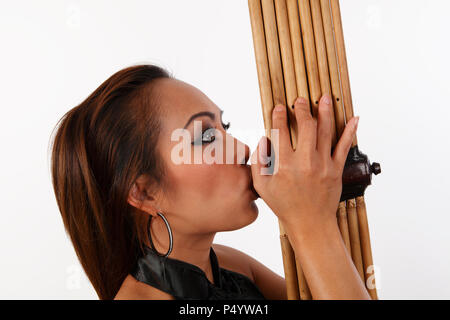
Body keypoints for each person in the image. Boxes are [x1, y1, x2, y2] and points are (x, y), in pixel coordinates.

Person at [50, 64, 369, 300]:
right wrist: (309, 222)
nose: (243, 150)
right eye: (205, 137)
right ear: (145, 193)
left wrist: (311, 201)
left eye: (223, 128)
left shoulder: (231, 267)